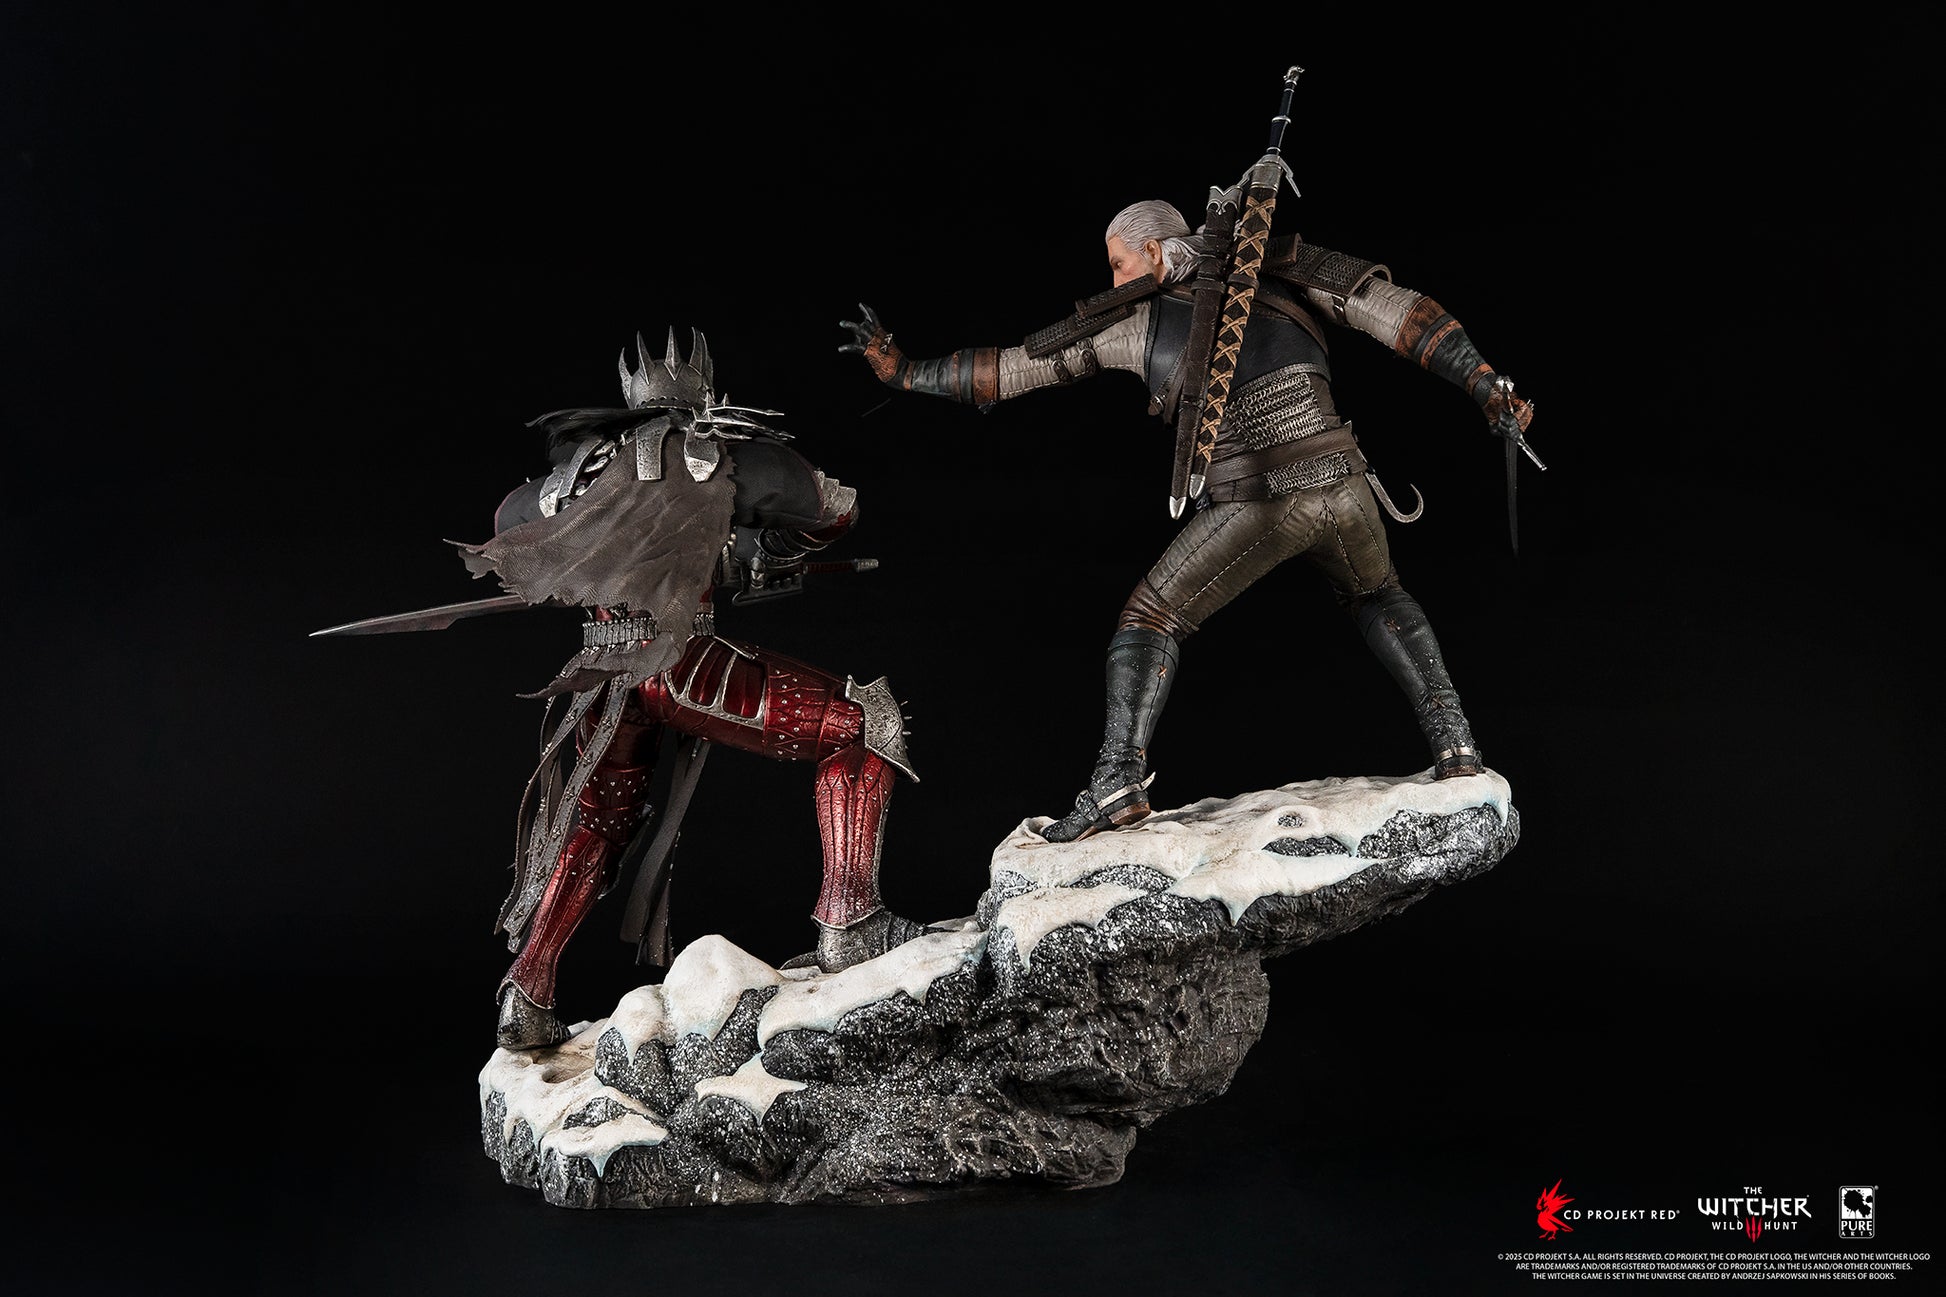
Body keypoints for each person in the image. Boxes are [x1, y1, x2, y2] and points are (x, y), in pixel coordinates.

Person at [840, 199, 1534, 843]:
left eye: (1119, 263)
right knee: (1379, 593)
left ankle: (1116, 780)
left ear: (1152, 251)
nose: (1114, 279)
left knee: (1149, 617)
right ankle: (1456, 743)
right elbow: (1401, 313)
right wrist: (1484, 382)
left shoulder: (1133, 323)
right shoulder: (1279, 267)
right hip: (1348, 484)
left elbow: (1013, 369)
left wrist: (905, 373)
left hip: (1259, 497)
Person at [465, 329, 922, 1049]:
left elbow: (510, 530)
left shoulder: (570, 476)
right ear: (702, 397)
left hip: (602, 674)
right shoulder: (710, 449)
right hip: (681, 664)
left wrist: (718, 552)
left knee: (597, 826)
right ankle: (851, 920)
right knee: (865, 720)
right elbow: (830, 509)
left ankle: (527, 993)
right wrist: (767, 544)